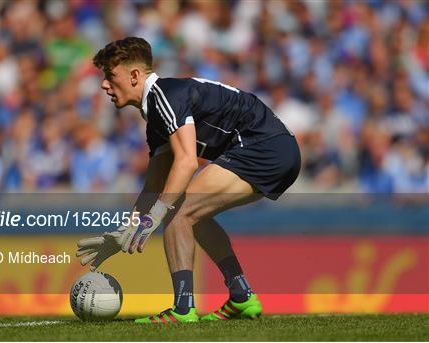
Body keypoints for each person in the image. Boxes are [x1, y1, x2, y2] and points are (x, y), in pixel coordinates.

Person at [77, 37, 300, 323]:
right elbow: (155, 183)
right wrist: (126, 231)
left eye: (110, 75)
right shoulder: (157, 111)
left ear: (134, 75)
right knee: (192, 214)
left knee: (178, 211)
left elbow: (186, 163)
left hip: (265, 147)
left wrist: (157, 214)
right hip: (273, 149)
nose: (104, 85)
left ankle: (183, 309)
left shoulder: (165, 97)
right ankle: (242, 296)